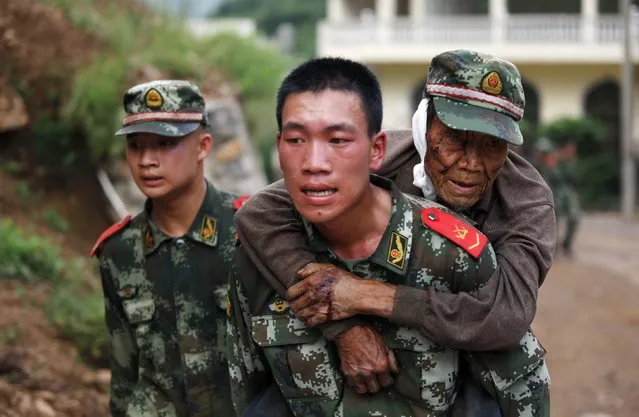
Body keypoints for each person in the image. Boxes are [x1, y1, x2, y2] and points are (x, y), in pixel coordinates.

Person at [234, 50, 555, 416]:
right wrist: (341, 321)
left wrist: (368, 296)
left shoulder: (526, 202)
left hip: (469, 361)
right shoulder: (381, 157)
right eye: (455, 140)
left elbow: (506, 317)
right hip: (376, 361)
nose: (470, 163)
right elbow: (260, 213)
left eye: (492, 145)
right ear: (426, 122)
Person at [91, 80, 243, 417]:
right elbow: (124, 370)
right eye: (135, 145)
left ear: (203, 146)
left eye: (165, 143)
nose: (147, 160)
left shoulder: (249, 233)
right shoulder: (119, 252)